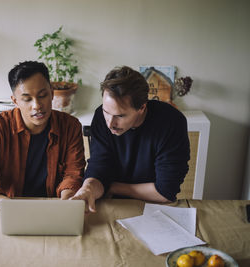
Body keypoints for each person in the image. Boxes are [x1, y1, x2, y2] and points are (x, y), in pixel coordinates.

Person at [0, 61, 85, 209]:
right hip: (9, 206)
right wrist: (5, 204)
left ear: (52, 93)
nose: (37, 105)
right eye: (27, 99)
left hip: (54, 206)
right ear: (15, 101)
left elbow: (73, 173)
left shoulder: (70, 126)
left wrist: (67, 201)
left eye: (42, 95)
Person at [71, 66, 190, 212]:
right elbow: (99, 167)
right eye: (106, 112)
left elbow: (165, 192)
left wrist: (112, 187)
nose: (110, 123)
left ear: (142, 108)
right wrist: (88, 188)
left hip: (154, 207)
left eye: (120, 116)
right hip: (110, 203)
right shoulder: (101, 118)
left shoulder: (171, 122)